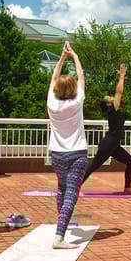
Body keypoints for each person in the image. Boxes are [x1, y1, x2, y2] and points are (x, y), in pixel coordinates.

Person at [47, 41, 87, 249]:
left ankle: (62, 224)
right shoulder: (77, 101)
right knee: (71, 192)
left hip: (57, 154)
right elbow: (81, 77)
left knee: (62, 189)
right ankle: (59, 236)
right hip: (77, 154)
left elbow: (54, 78)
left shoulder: (52, 103)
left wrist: (61, 58)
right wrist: (74, 56)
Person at [82, 64, 131, 194]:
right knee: (92, 167)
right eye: (109, 98)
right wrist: (122, 77)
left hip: (113, 145)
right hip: (108, 145)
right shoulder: (113, 109)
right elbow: (119, 91)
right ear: (109, 104)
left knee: (130, 161)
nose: (112, 96)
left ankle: (127, 188)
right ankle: (75, 188)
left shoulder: (113, 110)